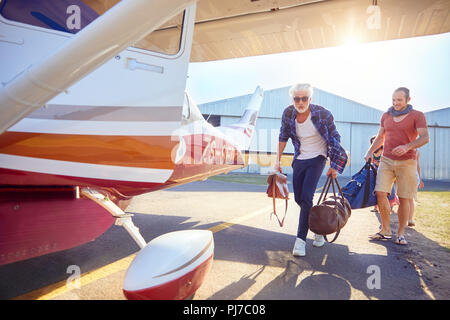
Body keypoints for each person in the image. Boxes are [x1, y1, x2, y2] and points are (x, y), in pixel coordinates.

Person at [275, 83, 348, 257]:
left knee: (307, 197)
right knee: (300, 199)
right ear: (293, 99)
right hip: (299, 159)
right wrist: (277, 161)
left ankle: (300, 240)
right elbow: (283, 136)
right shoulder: (288, 113)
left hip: (318, 158)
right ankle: (318, 229)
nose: (300, 102)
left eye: (304, 98)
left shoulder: (323, 114)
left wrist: (334, 165)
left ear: (310, 99)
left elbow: (335, 138)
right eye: (297, 98)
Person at [364, 87, 429, 245]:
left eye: (399, 100)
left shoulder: (417, 116)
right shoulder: (386, 115)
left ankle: (400, 233)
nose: (395, 103)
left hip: (407, 162)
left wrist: (407, 147)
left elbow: (425, 137)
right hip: (386, 160)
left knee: (404, 198)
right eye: (393, 99)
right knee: (380, 192)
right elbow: (380, 137)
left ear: (408, 100)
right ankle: (385, 229)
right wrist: (369, 152)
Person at [369, 135, 400, 214]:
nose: (374, 142)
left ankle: (391, 206)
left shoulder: (384, 149)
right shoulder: (372, 152)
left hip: (386, 171)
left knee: (389, 189)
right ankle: (375, 207)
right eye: (372, 142)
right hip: (376, 171)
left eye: (375, 141)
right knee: (376, 189)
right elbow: (372, 162)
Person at [408, 150, 424, 227]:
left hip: (411, 175)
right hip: (411, 175)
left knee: (406, 199)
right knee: (409, 199)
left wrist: (420, 179)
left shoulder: (417, 151)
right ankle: (409, 219)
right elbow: (418, 165)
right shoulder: (417, 151)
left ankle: (409, 219)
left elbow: (418, 166)